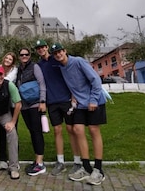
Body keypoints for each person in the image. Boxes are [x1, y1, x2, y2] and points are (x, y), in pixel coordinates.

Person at [51, 43, 107, 185]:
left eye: (60, 51)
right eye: (55, 53)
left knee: (94, 130)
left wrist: (93, 100)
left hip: (95, 101)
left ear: (65, 51)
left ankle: (99, 170)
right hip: (80, 104)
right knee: (77, 130)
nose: (58, 54)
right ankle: (86, 167)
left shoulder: (78, 61)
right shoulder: (61, 67)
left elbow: (95, 80)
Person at [35, 39, 81, 176]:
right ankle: (60, 162)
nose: (41, 50)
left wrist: (74, 94)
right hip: (52, 101)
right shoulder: (38, 65)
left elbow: (71, 76)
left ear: (47, 47)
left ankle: (77, 161)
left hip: (66, 99)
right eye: (38, 48)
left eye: (43, 47)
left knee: (71, 129)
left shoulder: (57, 60)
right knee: (57, 130)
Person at [16, 47, 47, 176]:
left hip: (35, 104)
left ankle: (40, 163)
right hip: (24, 106)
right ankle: (37, 161)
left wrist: (43, 101)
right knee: (32, 132)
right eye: (22, 54)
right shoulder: (18, 70)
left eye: (26, 54)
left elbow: (42, 84)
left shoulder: (35, 67)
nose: (24, 56)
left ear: (29, 55)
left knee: (37, 132)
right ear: (19, 56)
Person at [0, 52, 18, 170]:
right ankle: (2, 159)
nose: (8, 60)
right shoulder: (0, 68)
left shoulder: (14, 70)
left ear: (13, 61)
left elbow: (7, 80)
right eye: (6, 58)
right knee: (2, 133)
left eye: (10, 59)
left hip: (12, 105)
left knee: (13, 132)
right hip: (2, 105)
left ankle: (14, 160)